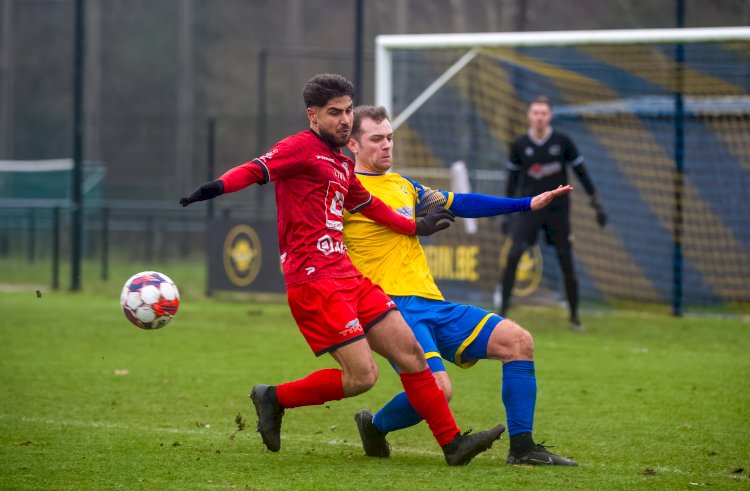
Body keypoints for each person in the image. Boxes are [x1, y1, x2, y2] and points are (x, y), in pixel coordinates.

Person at [179, 74, 505, 466]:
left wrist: (414, 226)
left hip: (348, 276)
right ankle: (274, 397)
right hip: (313, 280)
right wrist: (215, 187)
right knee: (363, 377)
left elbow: (370, 206)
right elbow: (254, 169)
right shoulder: (299, 148)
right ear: (313, 115)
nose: (345, 119)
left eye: (349, 110)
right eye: (335, 113)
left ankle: (453, 445)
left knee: (412, 355)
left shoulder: (340, 163)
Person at [342, 104, 577, 466]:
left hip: (433, 304)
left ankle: (523, 448)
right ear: (353, 144)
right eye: (377, 139)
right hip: (389, 309)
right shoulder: (343, 191)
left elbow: (461, 202)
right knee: (439, 389)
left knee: (518, 342)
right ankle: (376, 426)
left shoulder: (406, 187)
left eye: (390, 137)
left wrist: (527, 203)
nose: (387, 145)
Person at [497, 96, 607, 331]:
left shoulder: (563, 142)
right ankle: (502, 314)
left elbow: (581, 172)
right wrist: (506, 212)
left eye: (543, 113)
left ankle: (575, 318)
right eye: (535, 112)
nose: (539, 117)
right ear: (529, 115)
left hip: (558, 212)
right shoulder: (519, 145)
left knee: (566, 260)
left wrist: (595, 200)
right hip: (529, 209)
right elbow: (512, 181)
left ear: (550, 116)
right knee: (514, 255)